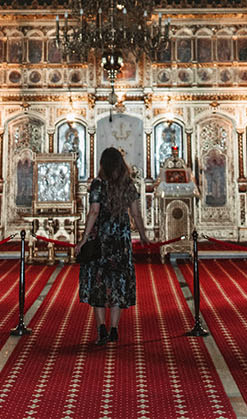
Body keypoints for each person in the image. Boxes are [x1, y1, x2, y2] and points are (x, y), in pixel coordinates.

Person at [79, 146, 149, 346]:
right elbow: (136, 214)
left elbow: (94, 211)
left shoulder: (98, 184)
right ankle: (114, 329)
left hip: (101, 240)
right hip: (120, 241)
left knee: (99, 283)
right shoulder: (128, 184)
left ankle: (101, 328)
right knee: (118, 282)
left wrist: (84, 238)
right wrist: (143, 235)